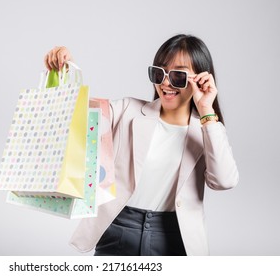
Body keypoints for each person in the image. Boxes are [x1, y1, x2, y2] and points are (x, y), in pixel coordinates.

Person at [44, 34, 239, 256]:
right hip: (117, 231)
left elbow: (224, 181)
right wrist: (62, 76)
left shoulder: (207, 130)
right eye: (159, 73)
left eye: (178, 75)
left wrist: (206, 109)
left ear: (201, 80)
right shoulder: (127, 111)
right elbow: (73, 118)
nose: (165, 83)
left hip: (174, 238)